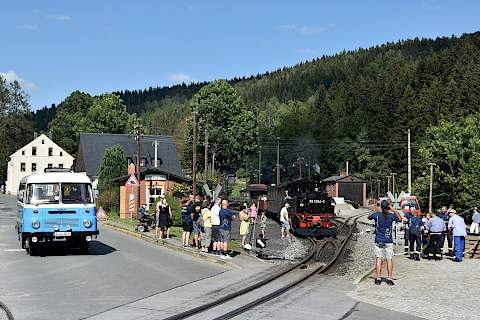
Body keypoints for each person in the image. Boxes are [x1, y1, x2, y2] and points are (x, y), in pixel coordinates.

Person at [367, 200, 402, 286]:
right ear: (388, 207)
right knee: (389, 259)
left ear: (381, 207)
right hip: (388, 240)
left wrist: (377, 210)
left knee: (379, 258)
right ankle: (389, 279)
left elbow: (368, 217)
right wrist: (393, 209)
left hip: (379, 240)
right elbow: (400, 219)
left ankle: (378, 278)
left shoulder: (377, 215)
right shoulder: (391, 215)